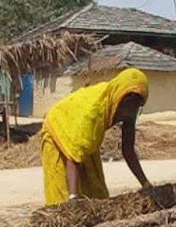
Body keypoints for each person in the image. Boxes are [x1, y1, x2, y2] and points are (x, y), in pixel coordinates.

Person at [41, 68, 152, 206]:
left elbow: (128, 149)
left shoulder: (129, 108)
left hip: (83, 137)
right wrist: (74, 198)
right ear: (120, 98)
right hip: (58, 130)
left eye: (136, 107)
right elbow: (73, 156)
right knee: (62, 199)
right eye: (127, 107)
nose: (128, 113)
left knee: (97, 195)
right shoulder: (94, 112)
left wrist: (146, 184)